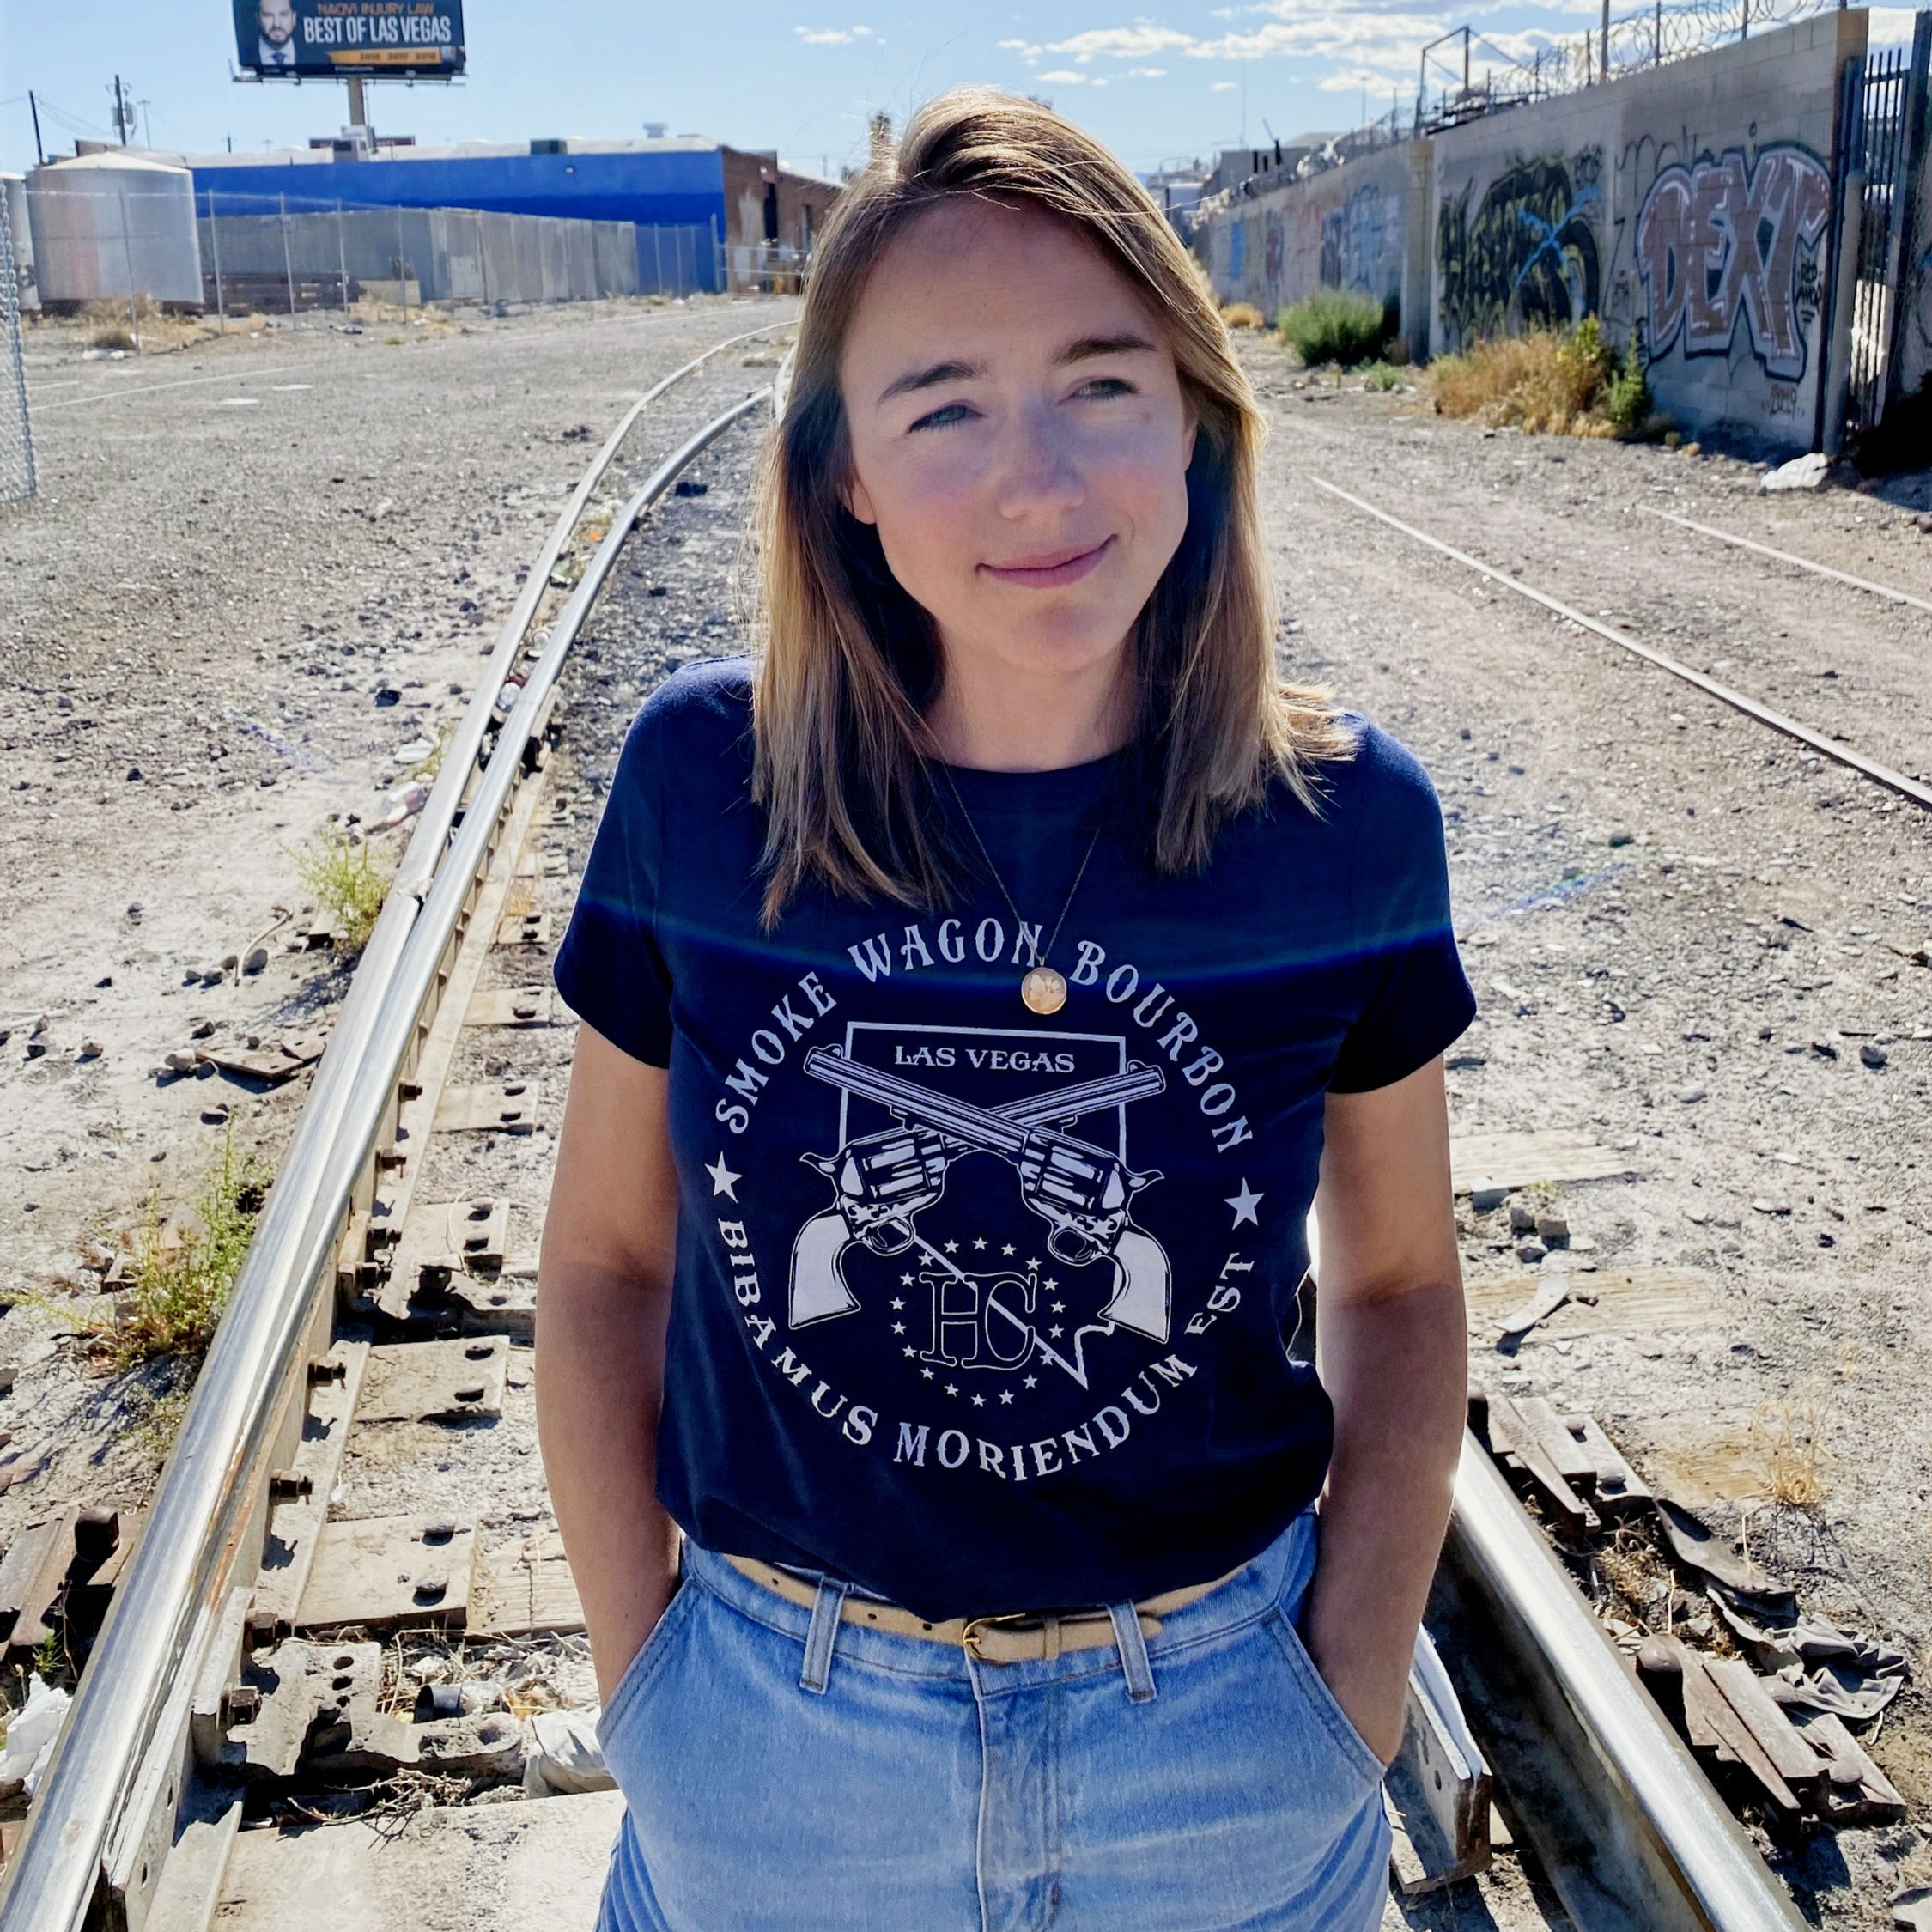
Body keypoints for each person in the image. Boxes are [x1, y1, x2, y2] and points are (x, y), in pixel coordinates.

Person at [539, 86, 1475, 1932]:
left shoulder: (1347, 830)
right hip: (778, 1748)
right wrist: (647, 1677)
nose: (1038, 480)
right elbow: (600, 1267)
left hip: (1214, 1739)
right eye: (944, 406)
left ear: (1198, 423)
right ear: (846, 472)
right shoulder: (703, 794)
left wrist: (1344, 1692)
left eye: (1102, 384)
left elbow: (1397, 1286)